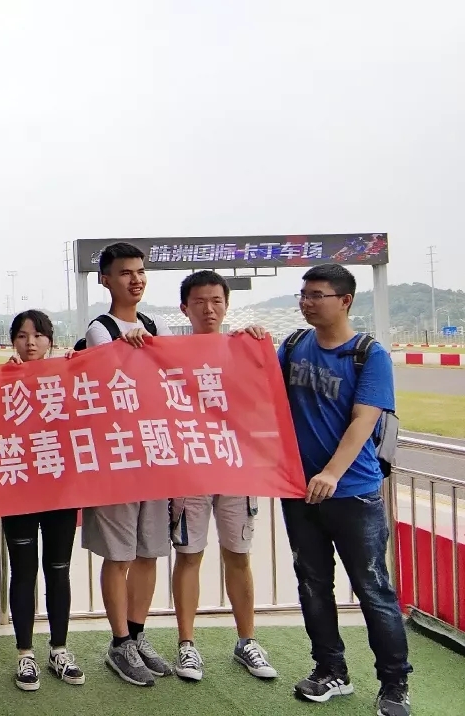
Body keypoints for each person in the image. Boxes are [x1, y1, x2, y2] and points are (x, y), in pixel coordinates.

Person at [279, 264, 411, 716]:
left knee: (373, 588)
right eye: (303, 295)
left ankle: (394, 684)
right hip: (299, 492)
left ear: (345, 300)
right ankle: (330, 670)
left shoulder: (368, 355)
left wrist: (332, 473)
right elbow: (253, 383)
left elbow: (363, 421)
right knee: (312, 583)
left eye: (317, 295)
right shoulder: (293, 346)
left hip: (354, 493)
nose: (307, 302)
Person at [0, 310, 85, 691]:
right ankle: (25, 654)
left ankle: (59, 650)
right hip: (16, 487)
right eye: (21, 335)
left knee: (59, 570)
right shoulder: (0, 380)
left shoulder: (67, 377)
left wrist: (76, 369)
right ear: (12, 341)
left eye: (37, 335)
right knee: (23, 571)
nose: (30, 343)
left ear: (50, 340)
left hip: (60, 491)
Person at [168, 271, 278, 683]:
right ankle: (187, 644)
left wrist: (258, 342)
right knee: (189, 555)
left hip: (236, 468)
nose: (209, 309)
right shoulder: (169, 352)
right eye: (199, 302)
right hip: (191, 470)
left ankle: (247, 640)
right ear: (185, 308)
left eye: (216, 301)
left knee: (238, 554)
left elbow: (267, 394)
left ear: (227, 305)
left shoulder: (244, 348)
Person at [80, 242, 175, 687]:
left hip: (153, 455)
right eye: (124, 273)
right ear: (106, 280)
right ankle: (119, 642)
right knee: (119, 555)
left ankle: (137, 634)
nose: (135, 280)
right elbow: (117, 379)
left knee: (149, 551)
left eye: (140, 272)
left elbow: (170, 375)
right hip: (117, 458)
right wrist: (135, 351)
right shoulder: (100, 330)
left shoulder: (154, 326)